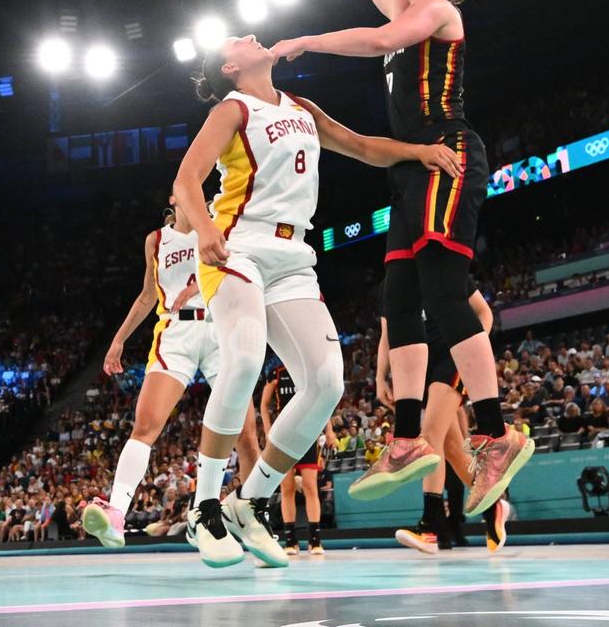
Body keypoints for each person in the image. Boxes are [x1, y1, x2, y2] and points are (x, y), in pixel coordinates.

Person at [271, 0, 531, 517]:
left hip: (446, 152)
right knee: (399, 293)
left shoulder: (435, 9)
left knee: (443, 285)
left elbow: (384, 38)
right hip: (411, 168)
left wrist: (309, 38)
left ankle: (496, 433)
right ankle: (408, 438)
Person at [172, 33, 463, 568]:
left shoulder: (302, 107)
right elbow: (186, 179)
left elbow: (362, 146)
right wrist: (208, 229)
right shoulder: (231, 109)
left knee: (327, 382)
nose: (251, 34)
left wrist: (418, 152)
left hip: (293, 255)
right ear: (232, 65)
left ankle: (248, 502)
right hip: (238, 245)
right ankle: (204, 506)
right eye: (238, 39)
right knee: (241, 361)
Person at [82, 196, 260, 549]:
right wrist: (118, 340)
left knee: (246, 431)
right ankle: (116, 513)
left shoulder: (218, 226)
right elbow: (148, 295)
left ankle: (254, 517)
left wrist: (200, 285)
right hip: (175, 332)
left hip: (218, 326)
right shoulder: (157, 240)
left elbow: (240, 268)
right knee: (146, 423)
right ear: (174, 198)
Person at [377, 288, 510, 554]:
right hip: (418, 367)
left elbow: (484, 311)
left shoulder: (439, 262)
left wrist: (474, 348)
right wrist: (381, 377)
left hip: (451, 356)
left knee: (429, 437)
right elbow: (387, 335)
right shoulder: (392, 279)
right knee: (450, 449)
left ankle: (430, 527)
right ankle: (494, 504)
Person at [260, 358, 335, 556]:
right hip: (284, 435)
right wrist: (268, 431)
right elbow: (264, 405)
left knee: (311, 486)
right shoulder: (276, 373)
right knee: (287, 488)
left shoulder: (308, 372)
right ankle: (291, 541)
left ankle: (315, 541)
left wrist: (329, 430)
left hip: (308, 433)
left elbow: (322, 403)